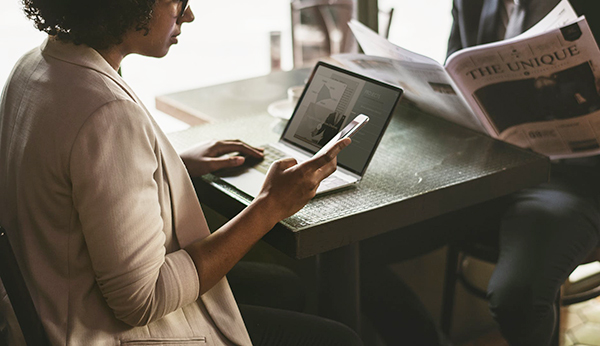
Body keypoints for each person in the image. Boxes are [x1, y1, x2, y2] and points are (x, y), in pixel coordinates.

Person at [0, 0, 363, 345]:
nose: (188, 14)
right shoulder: (107, 113)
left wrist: (166, 166)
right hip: (100, 332)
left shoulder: (35, 66)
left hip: (51, 307)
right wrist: (271, 206)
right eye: (176, 0)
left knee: (284, 287)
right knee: (339, 340)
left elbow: (73, 178)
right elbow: (143, 300)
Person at [447, 0, 600, 344]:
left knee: (519, 296)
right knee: (361, 247)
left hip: (569, 179)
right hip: (480, 169)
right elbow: (452, 73)